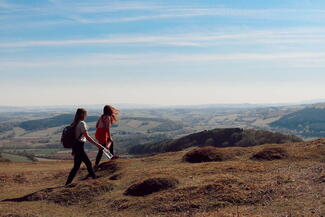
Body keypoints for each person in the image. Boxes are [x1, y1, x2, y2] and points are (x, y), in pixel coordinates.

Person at [65, 108, 104, 185]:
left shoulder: (74, 123)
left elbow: (73, 138)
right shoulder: (82, 123)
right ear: (82, 114)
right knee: (88, 163)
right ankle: (94, 178)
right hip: (79, 146)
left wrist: (73, 150)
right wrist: (98, 145)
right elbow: (87, 137)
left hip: (76, 147)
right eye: (85, 114)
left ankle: (67, 183)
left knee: (76, 167)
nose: (86, 115)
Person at [94, 105, 119, 170]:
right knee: (101, 149)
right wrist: (109, 136)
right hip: (102, 133)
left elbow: (97, 125)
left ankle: (111, 156)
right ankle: (96, 165)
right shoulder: (107, 117)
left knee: (107, 145)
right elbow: (107, 128)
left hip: (99, 132)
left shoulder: (102, 117)